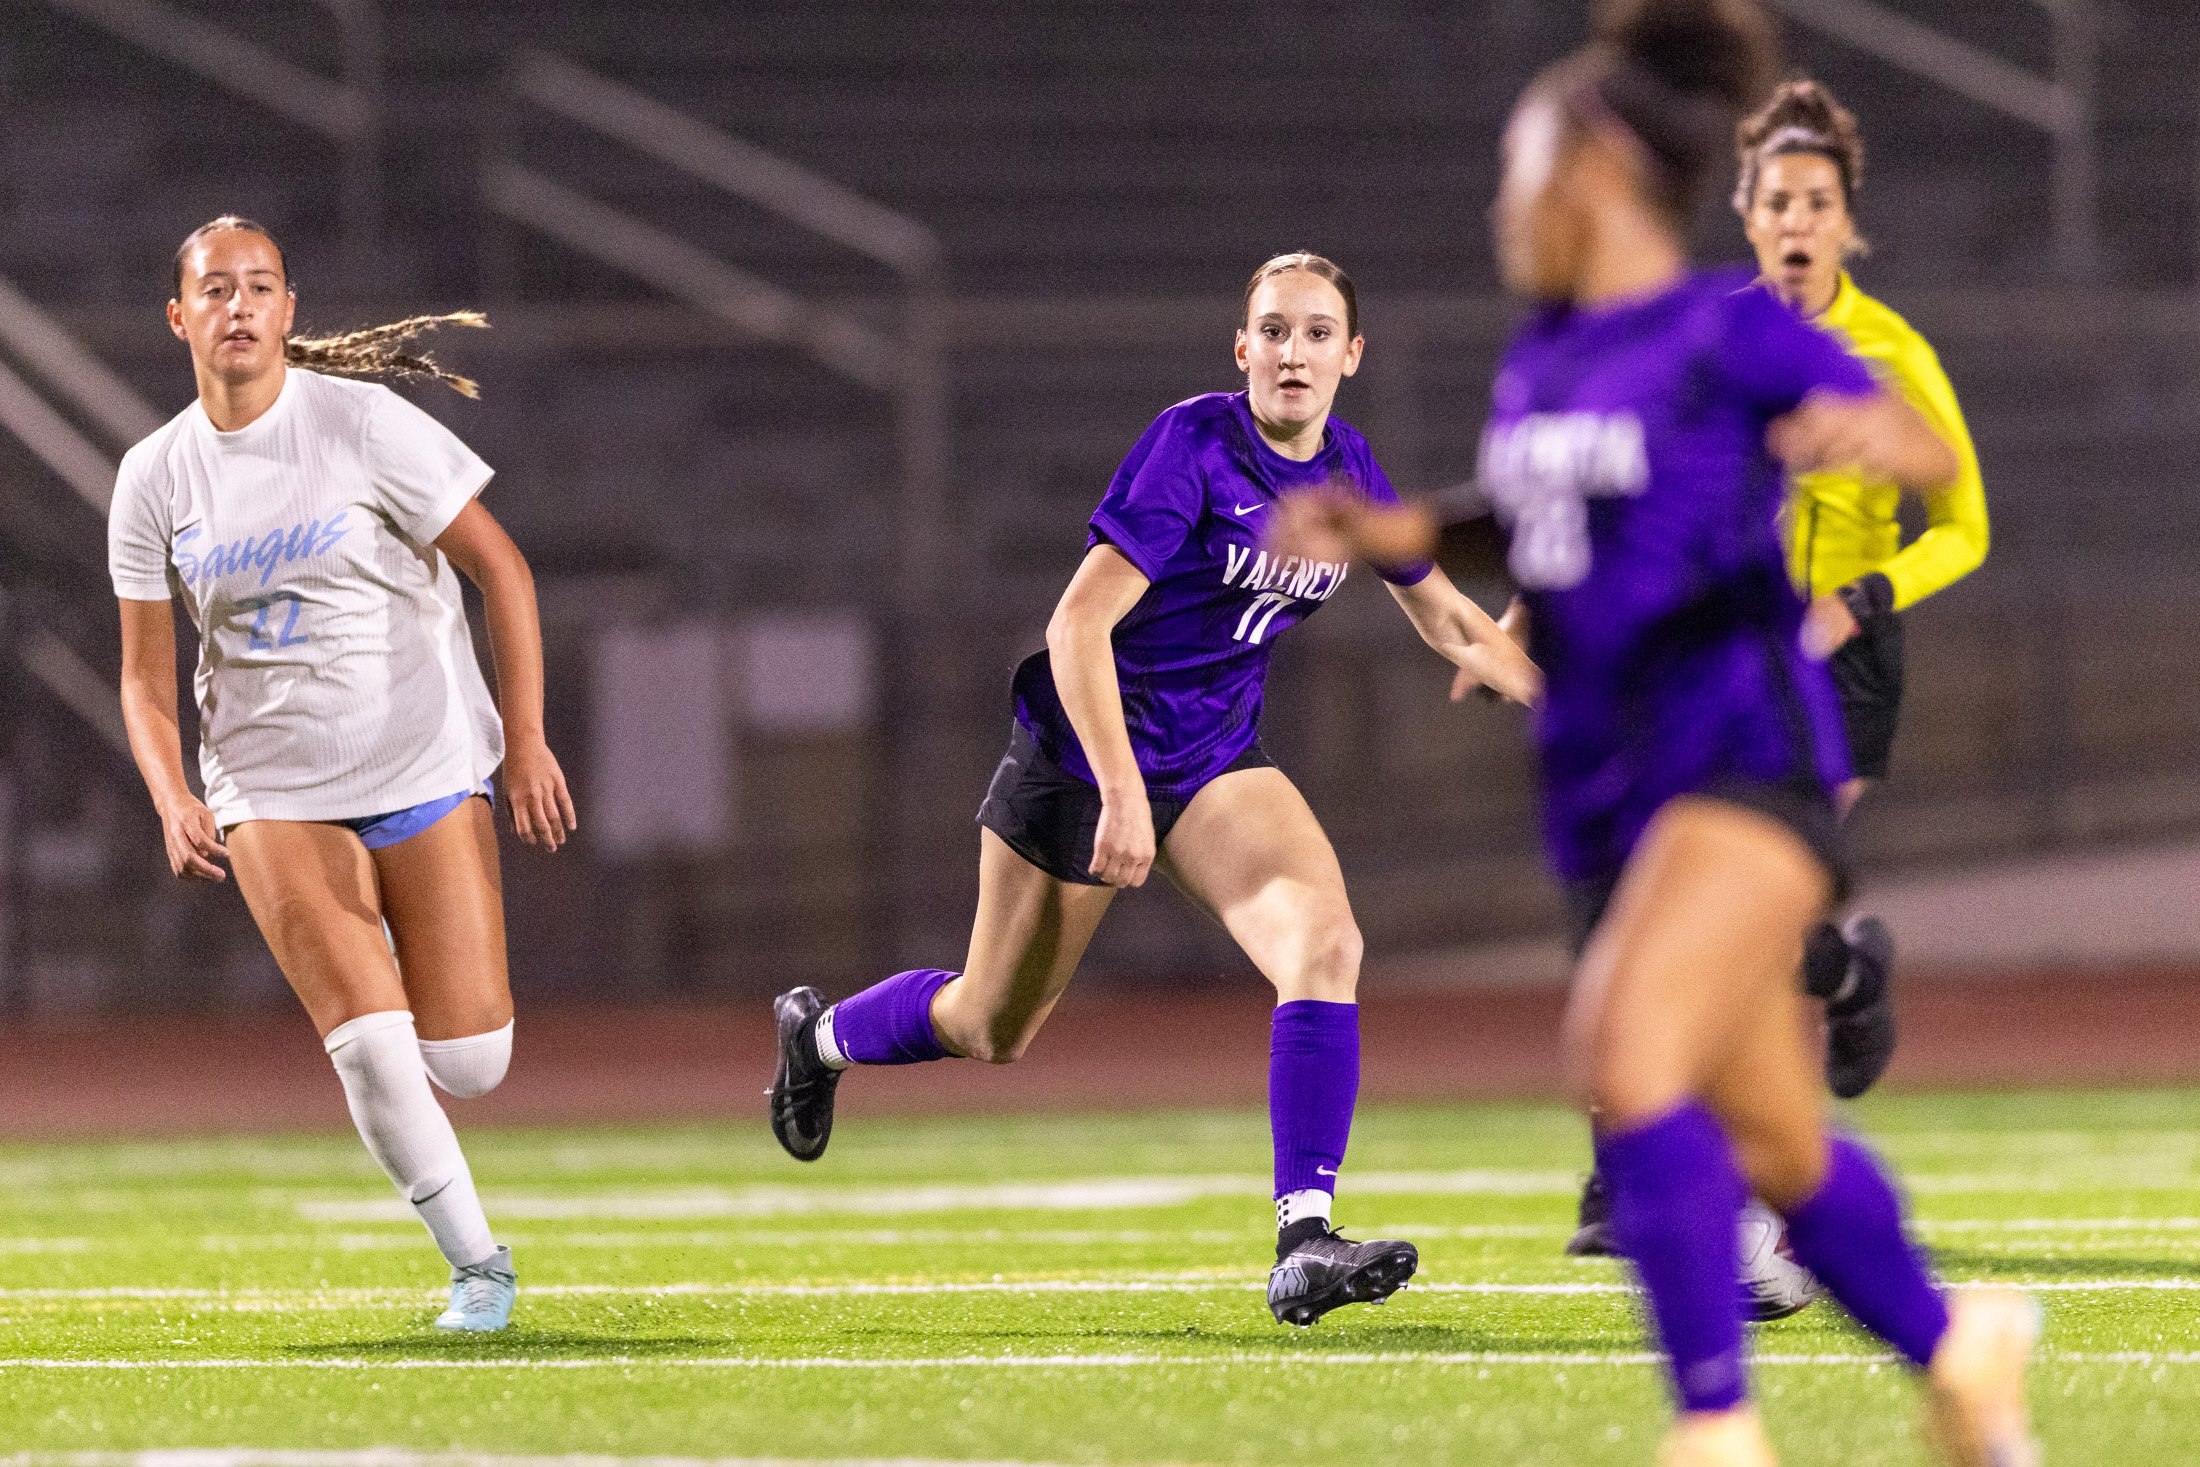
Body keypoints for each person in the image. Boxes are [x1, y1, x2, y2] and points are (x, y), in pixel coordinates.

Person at [1268, 2, 2036, 1461]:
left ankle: (1715, 1424)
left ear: (1600, 169)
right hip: (1612, 789)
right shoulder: (1541, 361)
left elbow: (1926, 451)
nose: (1501, 205)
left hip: (1742, 757)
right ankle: (1963, 1361)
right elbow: (1539, 518)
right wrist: (1402, 531)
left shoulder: (1723, 329)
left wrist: (1876, 436)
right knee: (1783, 1146)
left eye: (1518, 169)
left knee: (1623, 1055)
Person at [767, 251, 1542, 1328]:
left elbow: (1449, 614)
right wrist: (1121, 793)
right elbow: (1076, 624)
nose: (1295, 353)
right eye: (1275, 331)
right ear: (1243, 348)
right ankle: (817, 1039)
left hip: (1213, 759)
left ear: (1352, 356)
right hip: (1083, 758)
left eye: (1318, 333)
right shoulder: (1193, 445)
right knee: (991, 1023)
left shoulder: (1347, 468)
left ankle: (1305, 1239)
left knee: (1325, 943)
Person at [110, 216, 576, 1333]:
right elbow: (143, 677)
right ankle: (479, 1267)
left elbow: (503, 570)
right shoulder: (152, 474)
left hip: (421, 761)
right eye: (214, 289)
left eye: (258, 286)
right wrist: (173, 794)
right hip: (270, 791)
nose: (237, 305)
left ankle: (405, 970)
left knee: (471, 1060)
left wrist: (525, 739)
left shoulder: (362, 425)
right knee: (370, 1051)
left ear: (288, 310)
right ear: (178, 317)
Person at [1737, 77, 1989, 1099]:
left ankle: (1675, 1156)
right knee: (1696, 897)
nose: (1798, 223)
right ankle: (1849, 976)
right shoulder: (1711, 341)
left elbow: (1966, 529)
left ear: (1847, 226)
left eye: (1818, 205)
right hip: (1728, 652)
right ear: (1749, 220)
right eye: (1779, 204)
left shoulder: (1894, 351)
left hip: (1843, 661)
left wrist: (1860, 600)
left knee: (1750, 895)